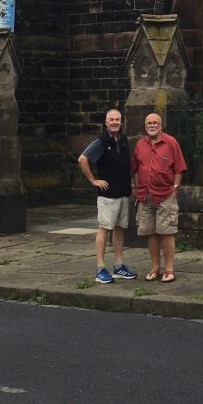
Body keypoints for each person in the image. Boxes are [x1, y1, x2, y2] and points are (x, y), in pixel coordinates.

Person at [77, 108, 137, 284]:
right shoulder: (101, 141)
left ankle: (118, 266)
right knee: (104, 229)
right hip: (108, 195)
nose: (115, 122)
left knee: (119, 229)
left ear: (121, 122)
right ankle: (100, 268)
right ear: (106, 122)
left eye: (117, 119)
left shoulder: (123, 140)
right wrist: (93, 180)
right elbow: (82, 159)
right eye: (111, 120)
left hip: (123, 192)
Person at [131, 111, 187, 283]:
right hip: (145, 195)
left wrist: (175, 187)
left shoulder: (171, 142)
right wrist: (136, 186)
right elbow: (134, 168)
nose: (152, 125)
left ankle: (169, 270)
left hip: (165, 195)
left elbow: (179, 168)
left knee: (167, 232)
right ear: (145, 126)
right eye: (149, 123)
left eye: (155, 123)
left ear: (161, 125)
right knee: (150, 233)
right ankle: (155, 267)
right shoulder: (140, 145)